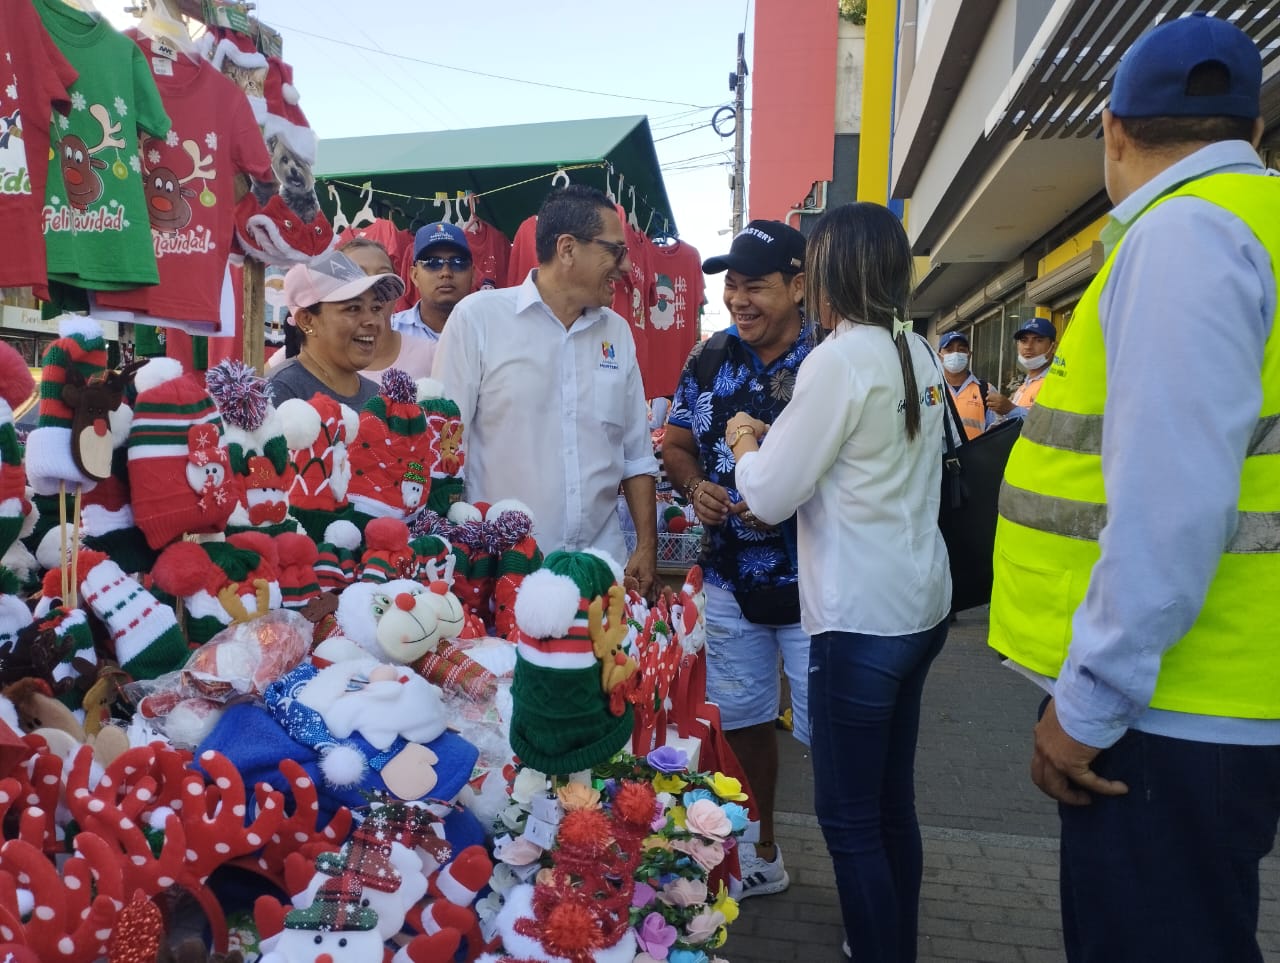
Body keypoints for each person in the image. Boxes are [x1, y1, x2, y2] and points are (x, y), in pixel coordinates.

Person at [988, 14, 1279, 962]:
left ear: (1113, 130)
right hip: (1224, 697)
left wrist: (1086, 710)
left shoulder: (1184, 237)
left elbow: (1170, 503)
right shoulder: (1254, 227)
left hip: (1173, 714)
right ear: (1254, 132)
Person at [730, 203, 951, 962]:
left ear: (832, 271)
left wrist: (745, 441)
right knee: (892, 806)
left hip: (860, 619)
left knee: (850, 817)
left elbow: (766, 496)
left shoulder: (840, 359)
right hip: (919, 607)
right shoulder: (916, 349)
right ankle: (893, 943)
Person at [662, 219, 815, 899]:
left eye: (755, 285)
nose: (738, 299)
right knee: (743, 723)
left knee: (829, 736)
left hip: (819, 583)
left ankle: (862, 874)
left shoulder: (829, 360)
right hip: (728, 581)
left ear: (799, 285)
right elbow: (673, 442)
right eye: (732, 285)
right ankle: (761, 853)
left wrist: (787, 496)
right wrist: (696, 487)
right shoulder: (707, 359)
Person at [432, 184, 659, 594]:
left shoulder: (617, 333)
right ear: (568, 249)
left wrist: (647, 545)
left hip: (601, 574)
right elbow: (443, 452)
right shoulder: (477, 320)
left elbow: (636, 456)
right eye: (615, 251)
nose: (626, 267)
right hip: (505, 576)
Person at [268, 248, 404, 408]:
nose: (371, 321)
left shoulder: (378, 398)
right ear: (307, 320)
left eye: (376, 308)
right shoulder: (277, 393)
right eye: (353, 308)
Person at [370, 223, 476, 380]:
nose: (446, 273)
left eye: (458, 263)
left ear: (473, 274)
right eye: (433, 263)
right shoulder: (388, 331)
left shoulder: (489, 333)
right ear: (414, 275)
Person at [985, 317, 1056, 420]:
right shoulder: (1024, 386)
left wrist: (1010, 409)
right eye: (1024, 341)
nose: (1028, 346)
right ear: (1017, 345)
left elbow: (1048, 426)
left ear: (1053, 346)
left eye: (1038, 340)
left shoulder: (1055, 382)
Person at [936, 330, 995, 439]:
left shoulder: (986, 390)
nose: (956, 354)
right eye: (949, 350)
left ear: (969, 355)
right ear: (939, 356)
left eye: (961, 350)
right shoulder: (932, 389)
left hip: (975, 455)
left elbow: (996, 431)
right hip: (939, 456)